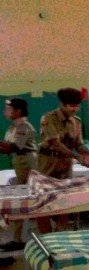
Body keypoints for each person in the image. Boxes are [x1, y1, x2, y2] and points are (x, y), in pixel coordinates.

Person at [36, 87, 89, 233]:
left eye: (77, 105)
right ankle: (46, 235)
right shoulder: (48, 118)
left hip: (65, 164)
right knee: (44, 199)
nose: (75, 109)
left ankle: (62, 233)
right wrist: (77, 157)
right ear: (63, 104)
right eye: (71, 105)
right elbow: (55, 143)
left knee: (64, 198)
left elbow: (79, 144)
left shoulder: (76, 122)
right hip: (48, 162)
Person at [0, 98, 37, 252]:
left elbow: (12, 147)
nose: (5, 111)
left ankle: (20, 238)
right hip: (18, 162)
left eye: (8, 109)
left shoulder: (24, 127)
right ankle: (18, 237)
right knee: (19, 199)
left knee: (22, 200)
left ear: (18, 111)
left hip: (26, 163)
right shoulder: (12, 128)